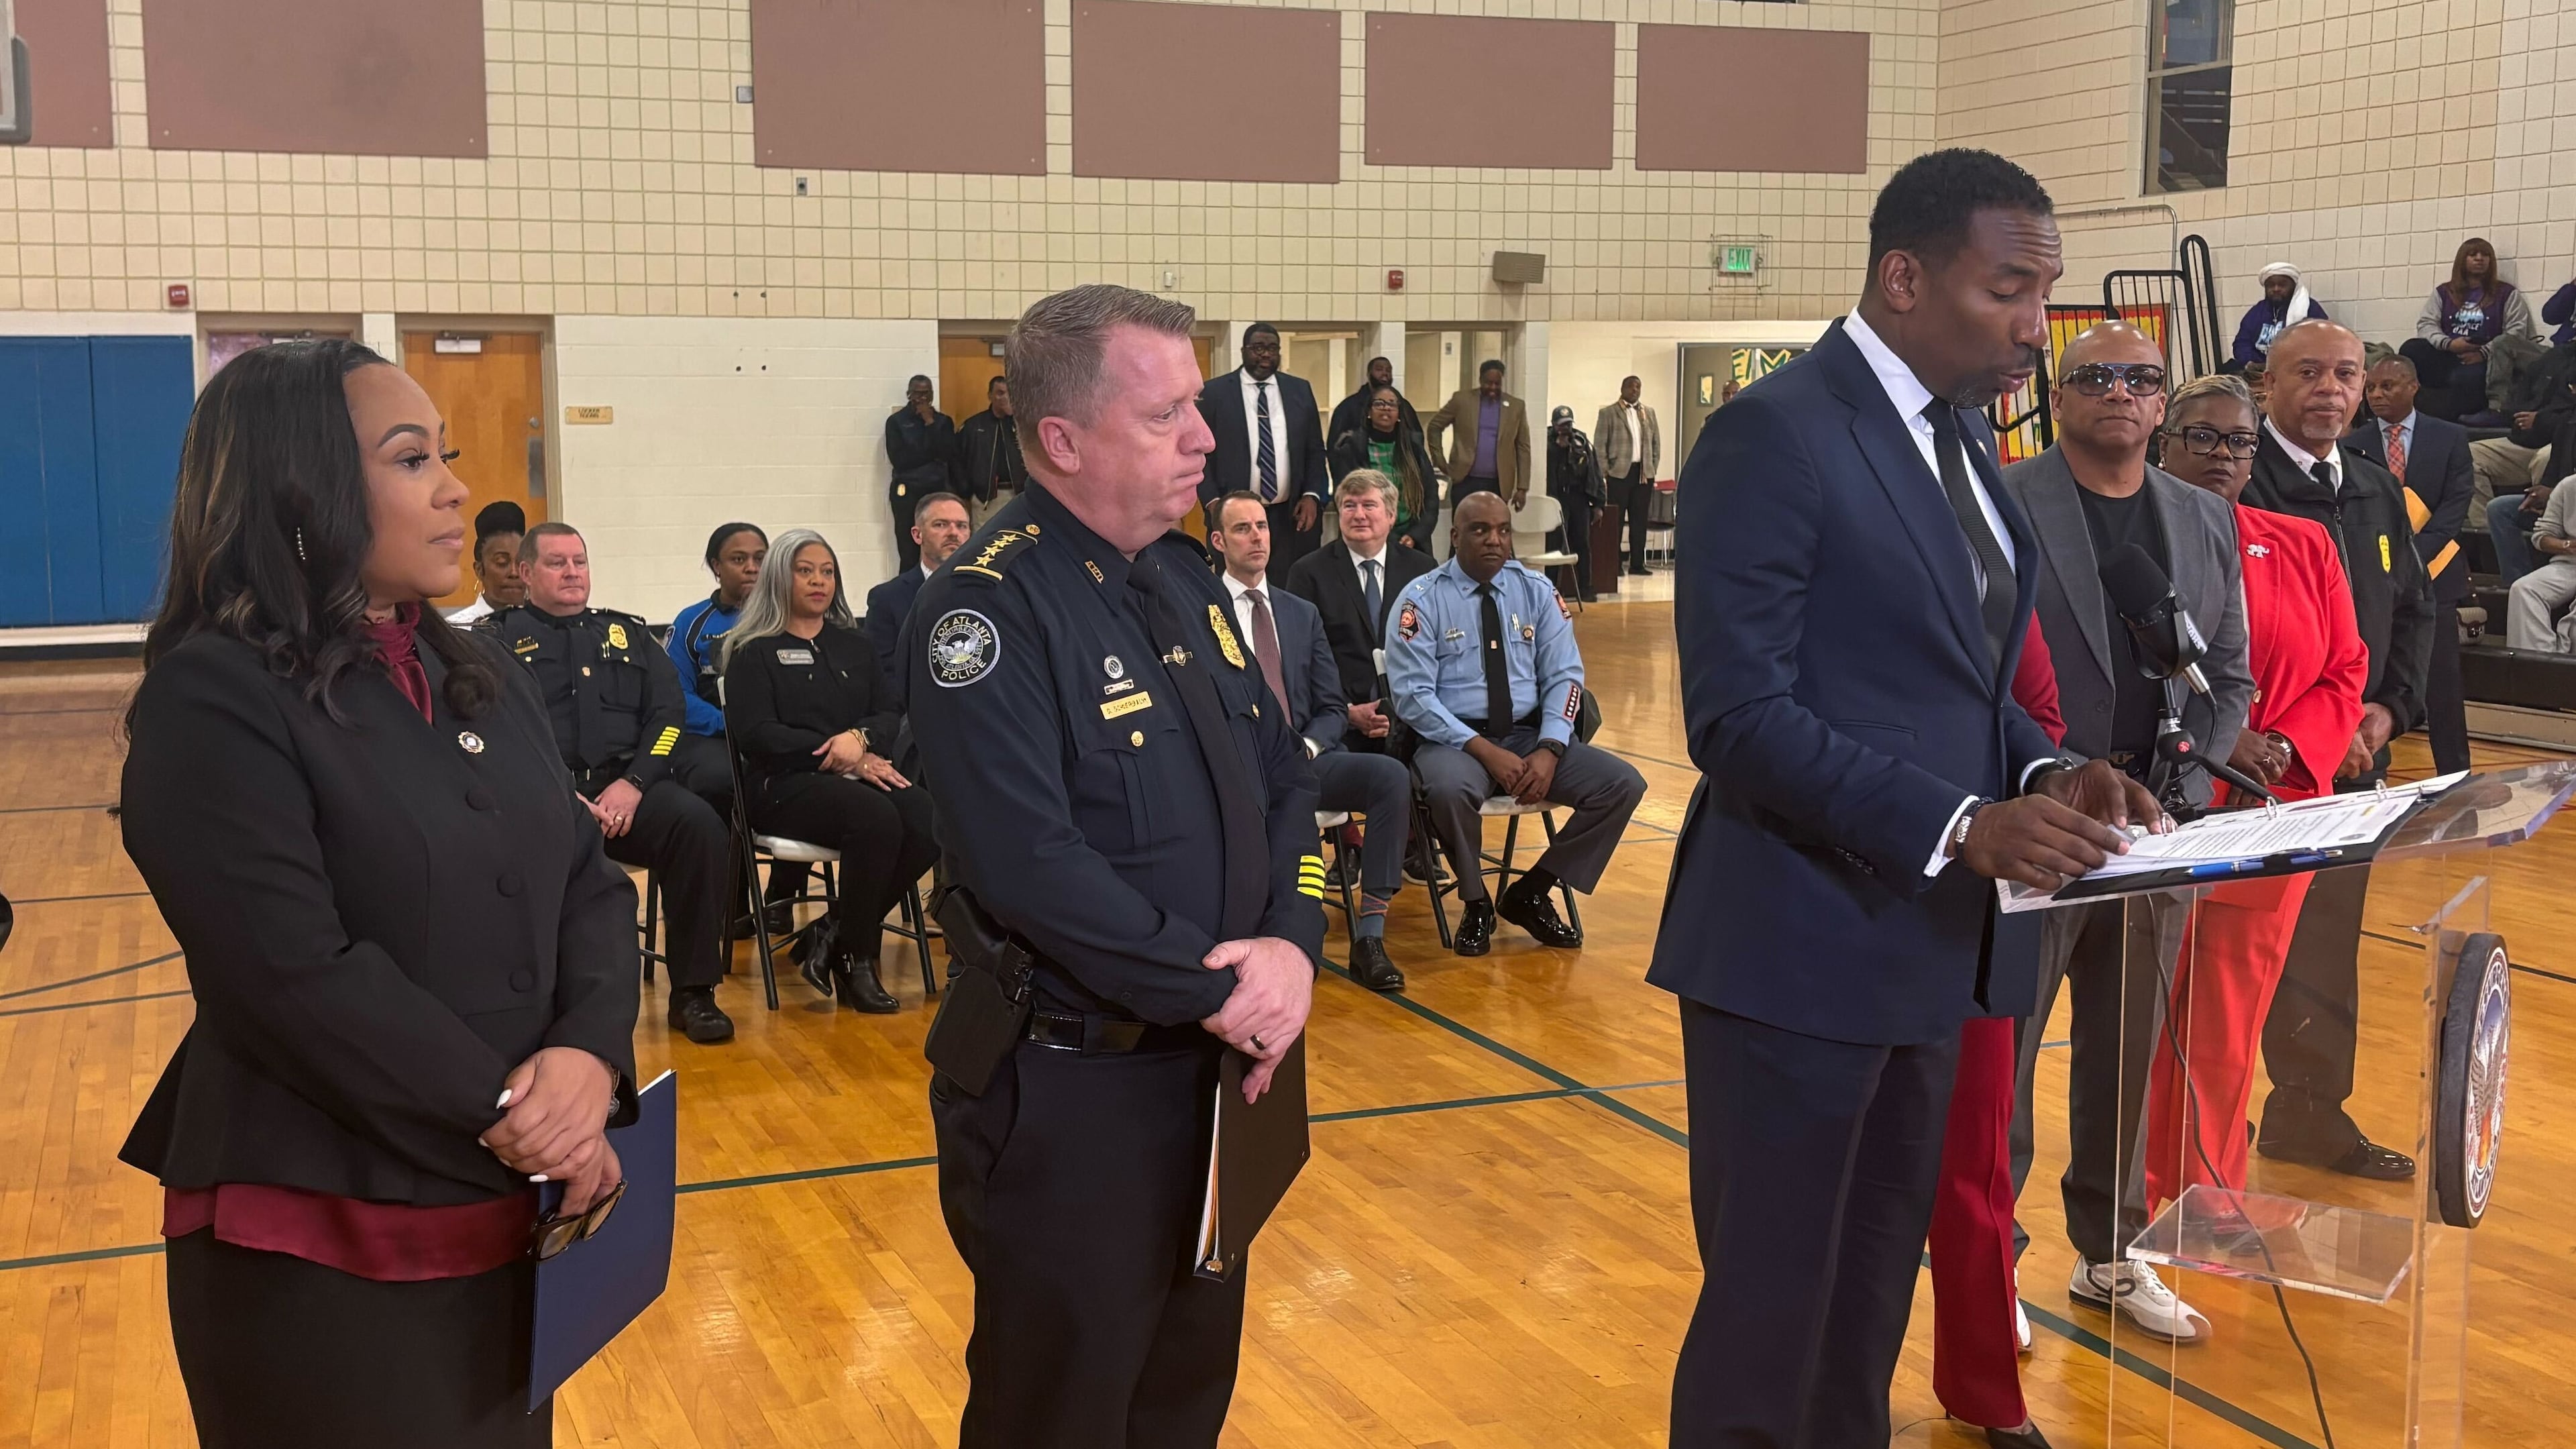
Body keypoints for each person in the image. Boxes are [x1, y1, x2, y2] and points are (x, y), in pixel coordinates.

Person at [1651, 148, 2164, 1448]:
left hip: (1932, 954)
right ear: (1903, 277)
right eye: (2010, 291)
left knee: (1868, 1308)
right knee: (1772, 1325)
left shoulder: (1960, 444)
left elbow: (1961, 685)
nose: (2032, 330)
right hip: (1798, 949)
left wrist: (2048, 769)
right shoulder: (1774, 434)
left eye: (2043, 295)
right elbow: (1739, 717)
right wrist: (1961, 825)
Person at [118, 338, 637, 1447]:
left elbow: (587, 880)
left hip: (514, 1213)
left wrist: (590, 1060)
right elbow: (291, 974)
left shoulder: (477, 673)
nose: (456, 488)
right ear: (297, 487)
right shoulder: (215, 697)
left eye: (443, 455)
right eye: (412, 461)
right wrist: (525, 1118)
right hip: (327, 1230)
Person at [906, 284, 1326, 1448]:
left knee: (1184, 1399)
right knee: (1066, 1412)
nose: (1206, 437)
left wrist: (1295, 941)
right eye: (1167, 416)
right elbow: (1030, 864)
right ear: (1062, 440)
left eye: (1199, 408)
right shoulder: (987, 610)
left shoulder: (1186, 581)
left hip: (1218, 1076)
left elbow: (1287, 779)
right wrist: (1229, 991)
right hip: (1073, 1094)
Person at [2000, 319, 2253, 1349]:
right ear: (2059, 397)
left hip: (2159, 828)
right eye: (2094, 376)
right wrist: (2037, 776)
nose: (2119, 392)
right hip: (2038, 822)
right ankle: (1990, 1267)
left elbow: (2227, 677)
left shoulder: (2202, 516)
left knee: (2125, 1053)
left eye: (2140, 379)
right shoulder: (2005, 499)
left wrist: (2185, 789)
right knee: (2002, 1062)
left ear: (2162, 404)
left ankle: (2110, 1255)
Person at [2143, 374, 2368, 1220]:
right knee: (2136, 1021)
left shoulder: (2303, 543)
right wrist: (2211, 739)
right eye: (2201, 437)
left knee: (2226, 1023)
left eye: (2239, 442)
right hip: (2154, 809)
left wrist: (2284, 748)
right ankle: (2126, 1204)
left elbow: (2345, 667)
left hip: (2268, 815)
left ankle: (2203, 1199)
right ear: (2163, 443)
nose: (2223, 456)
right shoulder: (2123, 541)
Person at [2241, 319, 2434, 1182]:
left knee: (2325, 951)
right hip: (2259, 768)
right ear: (2267, 386)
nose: (2330, 389)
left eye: (2347, 375)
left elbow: (2413, 612)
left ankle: (2307, 1115)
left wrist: (2387, 713)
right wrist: (2318, 729)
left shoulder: (2374, 487)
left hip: (2357, 766)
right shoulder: (2236, 480)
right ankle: (2185, 1125)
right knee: (2233, 954)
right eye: (2309, 372)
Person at [485, 523, 737, 1046]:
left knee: (699, 826)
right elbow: (490, 729)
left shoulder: (629, 635)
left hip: (630, 788)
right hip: (545, 795)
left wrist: (636, 782)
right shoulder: (494, 642)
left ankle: (694, 993)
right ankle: (539, 1002)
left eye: (580, 561)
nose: (573, 572)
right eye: (557, 563)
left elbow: (668, 719)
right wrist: (557, 790)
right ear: (527, 573)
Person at [1385, 492, 1646, 958]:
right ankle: (1475, 901)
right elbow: (1412, 697)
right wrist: (1483, 750)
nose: (1495, 541)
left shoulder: (1538, 592)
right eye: (1481, 530)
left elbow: (1566, 678)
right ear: (1455, 536)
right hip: (1456, 742)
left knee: (1622, 785)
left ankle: (1532, 891)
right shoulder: (1421, 600)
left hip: (1529, 736)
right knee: (1448, 791)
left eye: (1504, 530)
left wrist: (1550, 748)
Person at [1930, 610, 2066, 1449]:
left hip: (1973, 902)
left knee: (1974, 1173)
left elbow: (2036, 713)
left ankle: (1986, 1392)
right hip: (1827, 885)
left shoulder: (1990, 547)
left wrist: (2049, 779)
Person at [722, 528, 940, 1013]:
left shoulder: (853, 645)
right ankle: (855, 958)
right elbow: (758, 734)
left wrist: (860, 742)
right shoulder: (752, 651)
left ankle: (834, 928)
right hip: (781, 784)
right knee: (875, 818)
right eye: (805, 571)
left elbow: (888, 712)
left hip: (853, 775)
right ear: (780, 578)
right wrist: (842, 754)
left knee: (927, 816)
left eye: (827, 572)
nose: (819, 582)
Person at [1210, 490, 1413, 991]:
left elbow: (1329, 705)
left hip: (1306, 759)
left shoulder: (1299, 613)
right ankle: (1283, 930)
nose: (1256, 537)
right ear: (1217, 541)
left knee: (1389, 776)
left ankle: (1370, 934)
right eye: (1242, 529)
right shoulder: (1197, 610)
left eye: (1261, 526)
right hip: (1237, 770)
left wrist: (1311, 748)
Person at [665, 521, 801, 934]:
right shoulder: (693, 622)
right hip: (714, 736)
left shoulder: (793, 616)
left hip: (780, 735)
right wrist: (731, 724)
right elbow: (675, 695)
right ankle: (733, 904)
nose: (752, 568)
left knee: (809, 778)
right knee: (721, 782)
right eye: (738, 559)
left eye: (760, 558)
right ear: (715, 566)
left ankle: (781, 897)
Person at [2347, 357, 2473, 773]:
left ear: (2414, 386)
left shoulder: (2450, 437)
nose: (2378, 395)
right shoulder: (2353, 442)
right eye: (2372, 389)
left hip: (2436, 575)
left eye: (2389, 386)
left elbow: (2455, 507)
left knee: (2442, 687)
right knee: (2374, 687)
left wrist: (2411, 556)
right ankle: (2371, 773)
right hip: (2373, 583)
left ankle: (2454, 776)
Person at [1280, 469, 1436, 750]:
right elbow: (1300, 658)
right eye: (1349, 506)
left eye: (1369, 505)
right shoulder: (1308, 573)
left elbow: (1434, 649)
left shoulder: (1423, 570)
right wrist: (1345, 710)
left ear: (1391, 516)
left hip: (1415, 718)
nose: (1359, 514)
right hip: (1342, 722)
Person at [1195, 322, 1328, 572]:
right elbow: (1201, 455)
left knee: (1287, 592)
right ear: (1244, 351)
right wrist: (1213, 503)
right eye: (1258, 348)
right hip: (1233, 515)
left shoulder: (1299, 390)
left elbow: (1314, 449)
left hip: (1289, 517)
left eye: (1272, 348)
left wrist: (1312, 494)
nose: (1266, 354)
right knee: (1235, 589)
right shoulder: (1214, 393)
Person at [2400, 237, 2538, 423]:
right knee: (2411, 349)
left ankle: (2451, 414)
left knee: (2464, 378)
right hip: (2450, 352)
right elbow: (2426, 324)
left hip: (2486, 360)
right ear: (2462, 260)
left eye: (2485, 255)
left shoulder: (2507, 294)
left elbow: (2515, 333)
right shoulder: (2444, 292)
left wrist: (2484, 353)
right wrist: (2449, 344)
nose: (2480, 259)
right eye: (2473, 255)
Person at [863, 490, 975, 712]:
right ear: (917, 535)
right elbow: (883, 676)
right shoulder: (886, 599)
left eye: (962, 526)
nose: (954, 533)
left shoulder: (989, 595)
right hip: (914, 719)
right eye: (941, 525)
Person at [2483, 350, 2576, 584]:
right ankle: (2516, 582)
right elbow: (2555, 471)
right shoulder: (2568, 422)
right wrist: (2542, 492)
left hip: (2570, 509)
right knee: (2501, 509)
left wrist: (2554, 494)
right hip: (2563, 510)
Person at [1326, 382, 1440, 551]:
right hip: (1366, 540)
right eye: (1379, 403)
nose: (1386, 408)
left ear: (1399, 414)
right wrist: (1388, 537)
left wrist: (1415, 535)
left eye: (1392, 404)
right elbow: (1345, 499)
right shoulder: (1351, 449)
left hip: (1413, 541)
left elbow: (1431, 496)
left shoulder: (1414, 448)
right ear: (1369, 412)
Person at [1424, 360, 1533, 507]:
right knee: (1464, 526)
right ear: (1480, 380)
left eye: (1497, 383)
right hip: (1465, 479)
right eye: (1488, 383)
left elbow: (1523, 447)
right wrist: (1439, 459)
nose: (1493, 387)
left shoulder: (1516, 406)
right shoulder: (1462, 400)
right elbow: (1435, 426)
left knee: (1494, 527)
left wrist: (1522, 488)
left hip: (1499, 483)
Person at [885, 374, 960, 572]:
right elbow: (900, 460)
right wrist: (929, 455)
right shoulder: (896, 422)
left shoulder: (943, 422)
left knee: (939, 546)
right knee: (909, 549)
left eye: (927, 393)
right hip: (908, 491)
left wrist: (930, 424)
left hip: (937, 489)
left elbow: (947, 454)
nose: (923, 398)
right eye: (918, 393)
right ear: (909, 395)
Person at [1595, 375, 1663, 577]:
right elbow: (1599, 445)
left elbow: (1656, 444)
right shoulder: (1609, 413)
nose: (1635, 390)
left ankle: (1637, 564)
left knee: (1639, 520)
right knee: (1616, 521)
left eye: (1638, 387)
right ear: (1623, 388)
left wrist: (1653, 467)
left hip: (1643, 474)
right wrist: (1605, 472)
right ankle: (1614, 564)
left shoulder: (1648, 413)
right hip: (1619, 473)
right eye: (1631, 387)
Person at [2506, 478, 2576, 652]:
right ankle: (2539, 664)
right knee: (2523, 589)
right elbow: (2542, 536)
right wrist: (2565, 546)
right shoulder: (2569, 486)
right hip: (2569, 563)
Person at [1544, 405, 1605, 602]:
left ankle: (1586, 587)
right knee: (1554, 545)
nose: (1565, 429)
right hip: (1555, 499)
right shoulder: (1546, 442)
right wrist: (1557, 449)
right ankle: (1551, 588)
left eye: (1569, 424)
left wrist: (1598, 504)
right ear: (1554, 425)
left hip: (1578, 499)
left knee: (1582, 544)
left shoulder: (1582, 442)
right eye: (1561, 425)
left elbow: (1595, 472)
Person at [2227, 261, 2326, 372]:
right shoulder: (2257, 311)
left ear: (2293, 286)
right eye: (2271, 285)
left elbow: (2321, 345)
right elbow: (2242, 343)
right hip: (2258, 371)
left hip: (2296, 371)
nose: (2276, 289)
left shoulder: (2310, 310)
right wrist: (2250, 362)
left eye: (2282, 285)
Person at [441, 500, 528, 625]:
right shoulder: (456, 630)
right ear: (480, 570)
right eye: (502, 562)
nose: (514, 573)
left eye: (521, 562)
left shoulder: (548, 627)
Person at [958, 374, 1026, 529]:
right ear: (990, 396)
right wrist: (966, 492)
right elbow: (959, 461)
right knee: (984, 544)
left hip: (1018, 494)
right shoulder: (974, 426)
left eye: (1009, 393)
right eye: (1000, 393)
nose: (1005, 398)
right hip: (986, 498)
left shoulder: (1022, 425)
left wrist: (1013, 417)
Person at [1328, 355, 1423, 443]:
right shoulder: (1348, 407)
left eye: (1388, 370)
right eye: (1379, 369)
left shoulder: (1403, 405)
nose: (1385, 373)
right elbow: (1335, 445)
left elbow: (1417, 437)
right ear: (1369, 374)